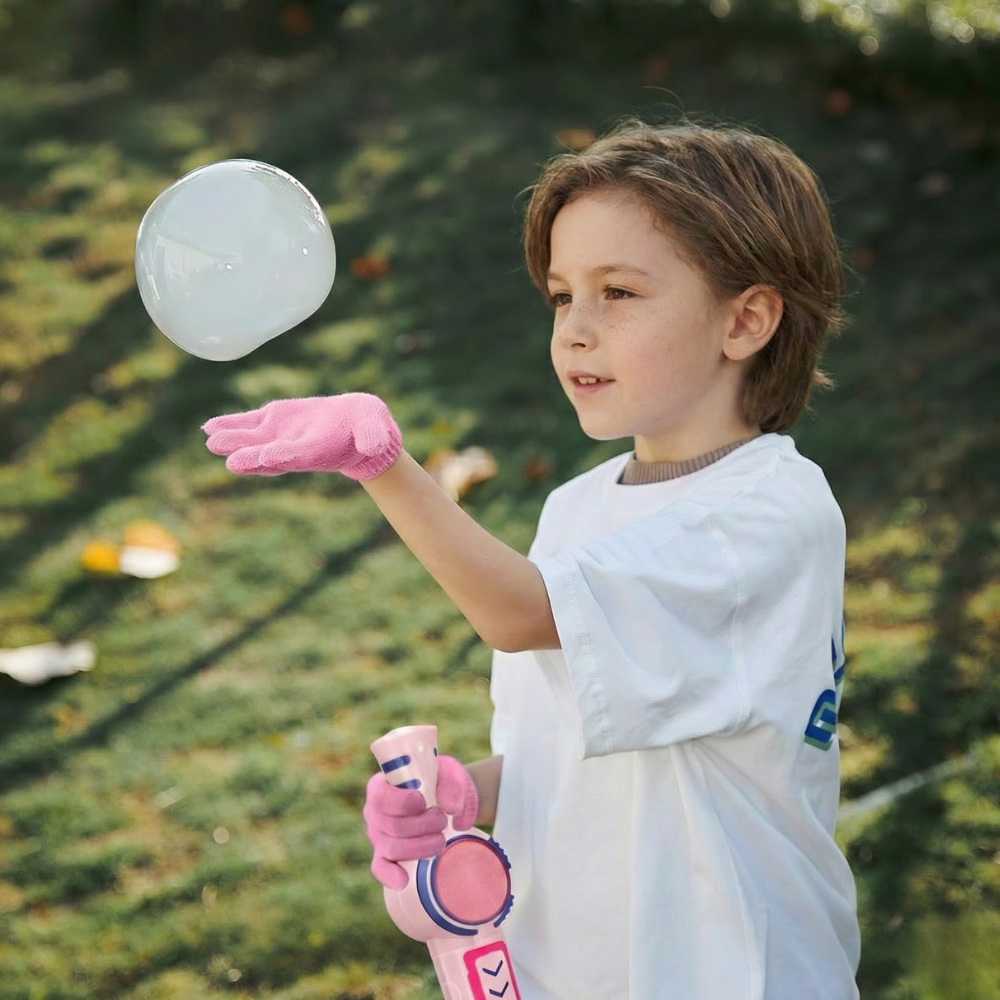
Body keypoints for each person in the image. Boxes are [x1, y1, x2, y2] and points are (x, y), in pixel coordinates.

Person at [203, 119, 861, 1000]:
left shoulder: (771, 513)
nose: (575, 331)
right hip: (572, 971)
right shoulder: (576, 509)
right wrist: (462, 795)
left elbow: (519, 614)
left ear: (746, 320)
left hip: (726, 971)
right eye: (561, 297)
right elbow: (565, 746)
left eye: (619, 293)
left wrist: (382, 466)